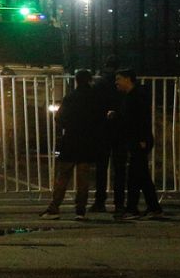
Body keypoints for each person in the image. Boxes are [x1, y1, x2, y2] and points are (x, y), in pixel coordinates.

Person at [41, 69, 106, 220]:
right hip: (88, 141)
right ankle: (80, 211)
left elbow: (59, 118)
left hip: (70, 140)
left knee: (63, 176)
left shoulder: (70, 97)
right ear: (90, 80)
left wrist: (68, 126)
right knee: (83, 178)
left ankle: (54, 207)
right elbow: (100, 119)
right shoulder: (95, 98)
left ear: (76, 80)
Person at [116, 69, 164, 219]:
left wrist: (142, 139)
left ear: (128, 79)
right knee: (140, 176)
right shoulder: (131, 96)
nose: (116, 82)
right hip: (136, 140)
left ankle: (134, 208)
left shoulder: (136, 97)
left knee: (136, 176)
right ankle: (151, 207)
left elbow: (141, 118)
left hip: (138, 141)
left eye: (118, 79)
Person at [91, 56, 126, 214]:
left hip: (102, 129)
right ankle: (119, 203)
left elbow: (94, 106)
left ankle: (100, 201)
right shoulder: (122, 84)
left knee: (101, 167)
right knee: (119, 168)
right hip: (119, 129)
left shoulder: (100, 83)